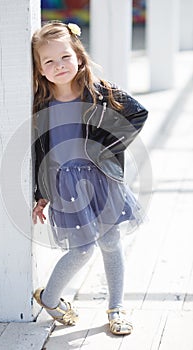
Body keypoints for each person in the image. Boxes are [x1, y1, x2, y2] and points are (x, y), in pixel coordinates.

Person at [32, 21, 148, 335]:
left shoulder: (99, 92)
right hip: (66, 184)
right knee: (82, 248)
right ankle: (50, 298)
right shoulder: (41, 105)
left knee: (111, 242)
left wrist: (107, 146)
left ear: (79, 57)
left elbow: (138, 114)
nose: (58, 66)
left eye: (65, 57)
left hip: (103, 178)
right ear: (40, 70)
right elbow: (38, 151)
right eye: (49, 61)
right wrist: (39, 193)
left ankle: (116, 307)